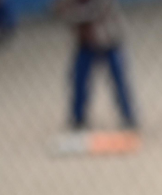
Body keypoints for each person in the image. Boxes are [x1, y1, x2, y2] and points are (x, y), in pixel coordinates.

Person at [55, 0, 136, 132]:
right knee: (79, 80)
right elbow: (59, 11)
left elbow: (98, 10)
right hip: (86, 44)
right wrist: (76, 15)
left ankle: (128, 116)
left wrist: (77, 15)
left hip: (109, 40)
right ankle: (78, 119)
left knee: (118, 79)